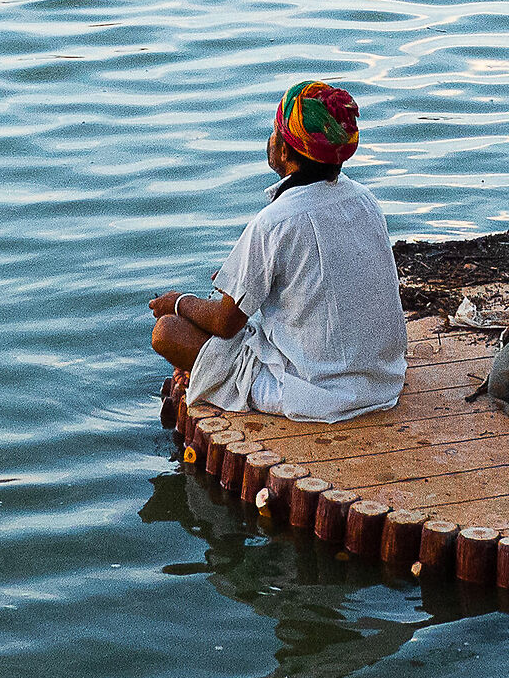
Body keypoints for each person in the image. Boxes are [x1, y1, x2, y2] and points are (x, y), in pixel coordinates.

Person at [150, 79, 406, 423]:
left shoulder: (274, 222)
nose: (270, 140)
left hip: (315, 394)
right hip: (383, 382)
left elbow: (225, 324)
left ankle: (202, 371)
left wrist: (179, 302)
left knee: (167, 331)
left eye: (275, 133)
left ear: (284, 151)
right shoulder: (366, 201)